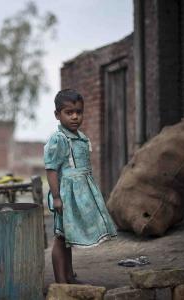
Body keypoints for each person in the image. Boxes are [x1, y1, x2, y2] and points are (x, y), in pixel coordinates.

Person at [44, 89, 118, 284]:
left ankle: (69, 276)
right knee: (61, 237)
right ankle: (61, 283)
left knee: (68, 237)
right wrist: (57, 197)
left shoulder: (81, 137)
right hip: (66, 195)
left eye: (79, 112)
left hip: (80, 194)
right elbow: (51, 169)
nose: (75, 116)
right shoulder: (59, 139)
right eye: (69, 112)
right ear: (57, 115)